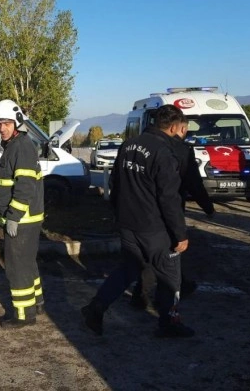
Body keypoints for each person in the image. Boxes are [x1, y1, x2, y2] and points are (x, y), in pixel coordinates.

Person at [81, 104, 194, 338]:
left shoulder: (129, 144)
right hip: (155, 227)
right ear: (174, 127)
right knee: (170, 276)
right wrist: (180, 233)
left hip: (128, 223)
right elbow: (169, 197)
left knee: (129, 268)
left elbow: (114, 183)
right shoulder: (164, 152)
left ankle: (96, 307)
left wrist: (118, 213)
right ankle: (169, 322)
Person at [130, 118, 214, 309]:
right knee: (167, 255)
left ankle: (160, 290)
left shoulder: (140, 145)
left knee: (157, 254)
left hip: (142, 210)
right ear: (180, 128)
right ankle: (156, 299)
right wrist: (208, 207)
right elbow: (193, 183)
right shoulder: (180, 150)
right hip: (168, 210)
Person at [0, 99, 45, 330]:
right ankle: (36, 303)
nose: (1, 128)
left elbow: (25, 187)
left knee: (17, 266)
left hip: (22, 220)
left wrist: (13, 216)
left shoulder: (20, 147)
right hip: (25, 218)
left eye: (6, 123)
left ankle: (23, 315)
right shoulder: (16, 145)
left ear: (17, 123)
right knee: (27, 262)